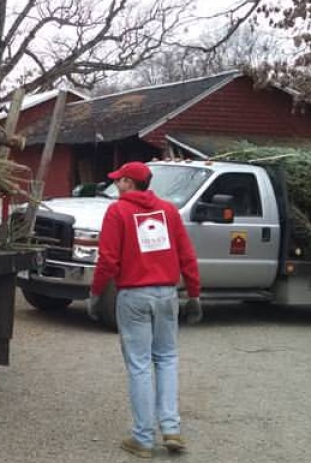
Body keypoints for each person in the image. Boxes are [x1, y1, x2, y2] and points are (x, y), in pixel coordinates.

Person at [88, 161, 202, 459]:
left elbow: (108, 259)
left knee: (139, 365)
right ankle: (171, 429)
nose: (116, 185)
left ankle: (143, 438)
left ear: (129, 183)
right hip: (167, 295)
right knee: (166, 359)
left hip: (134, 296)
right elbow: (187, 255)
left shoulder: (118, 211)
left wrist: (96, 293)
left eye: (119, 180)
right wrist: (194, 294)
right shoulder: (168, 211)